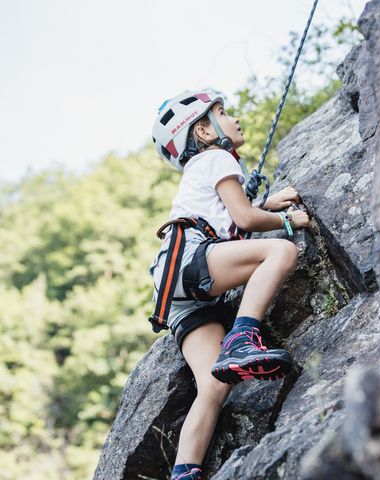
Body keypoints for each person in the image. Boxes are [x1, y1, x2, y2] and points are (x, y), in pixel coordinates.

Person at [149, 90, 310, 480]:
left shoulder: (202, 169)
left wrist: (266, 204)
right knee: (280, 252)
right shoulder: (216, 157)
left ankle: (185, 472)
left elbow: (230, 218)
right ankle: (243, 337)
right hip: (191, 261)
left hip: (174, 292)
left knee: (214, 385)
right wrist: (287, 221)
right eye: (223, 113)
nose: (234, 118)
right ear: (203, 131)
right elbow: (244, 218)